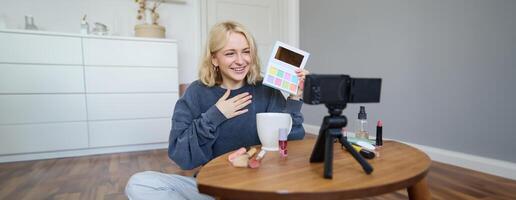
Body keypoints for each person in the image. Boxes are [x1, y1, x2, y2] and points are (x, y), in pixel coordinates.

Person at [125, 21, 308, 200]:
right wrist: (215, 115)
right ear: (214, 58)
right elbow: (182, 156)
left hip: (258, 186)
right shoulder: (196, 93)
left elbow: (290, 142)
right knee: (139, 184)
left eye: (246, 52)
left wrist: (295, 97)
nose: (240, 60)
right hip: (213, 189)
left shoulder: (266, 89)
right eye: (230, 53)